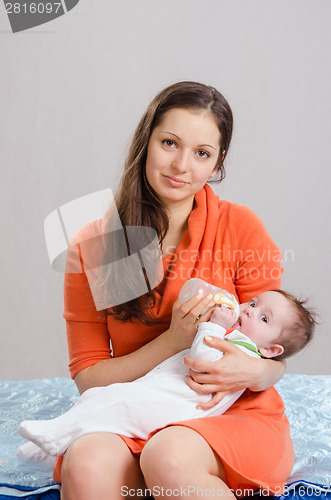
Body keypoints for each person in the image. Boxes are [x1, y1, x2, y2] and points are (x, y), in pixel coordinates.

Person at [54, 81, 296, 500]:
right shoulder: (91, 246)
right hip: (131, 410)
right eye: (170, 142)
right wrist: (174, 342)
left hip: (225, 413)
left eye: (202, 153)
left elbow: (269, 350)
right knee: (86, 465)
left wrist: (262, 370)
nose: (181, 165)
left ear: (217, 163)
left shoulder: (241, 227)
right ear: (147, 141)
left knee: (169, 456)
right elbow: (90, 379)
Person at [18, 288, 315, 459]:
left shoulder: (246, 351)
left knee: (113, 406)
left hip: (176, 408)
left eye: (263, 318)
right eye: (252, 303)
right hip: (160, 394)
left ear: (273, 350)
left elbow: (204, 360)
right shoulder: (236, 336)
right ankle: (50, 443)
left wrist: (211, 326)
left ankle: (52, 442)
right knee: (101, 399)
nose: (249, 311)